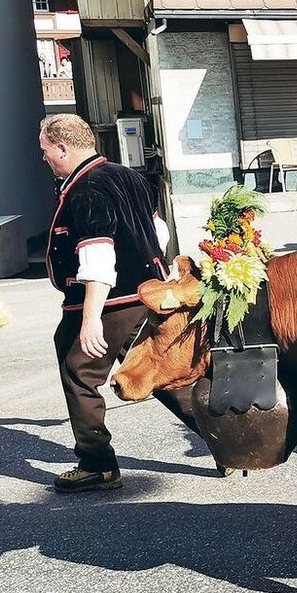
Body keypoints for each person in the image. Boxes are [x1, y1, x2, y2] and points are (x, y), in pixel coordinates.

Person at [38, 113, 204, 492]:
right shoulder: (129, 175)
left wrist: (90, 319)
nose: (44, 158)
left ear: (62, 148)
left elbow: (98, 257)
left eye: (45, 150)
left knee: (78, 373)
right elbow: (157, 232)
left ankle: (97, 464)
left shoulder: (85, 191)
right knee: (161, 373)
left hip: (105, 303)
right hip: (146, 297)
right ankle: (225, 441)